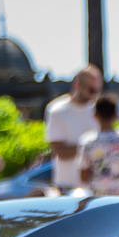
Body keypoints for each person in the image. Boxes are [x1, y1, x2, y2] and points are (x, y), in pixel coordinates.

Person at [43, 66, 104, 194]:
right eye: (92, 90)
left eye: (98, 90)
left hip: (96, 187)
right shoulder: (57, 110)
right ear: (77, 85)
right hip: (67, 187)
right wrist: (90, 147)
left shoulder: (98, 111)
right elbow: (61, 152)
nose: (95, 95)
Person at [81, 96, 119, 196]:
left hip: (101, 199)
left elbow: (84, 177)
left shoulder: (88, 142)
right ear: (117, 115)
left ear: (95, 115)